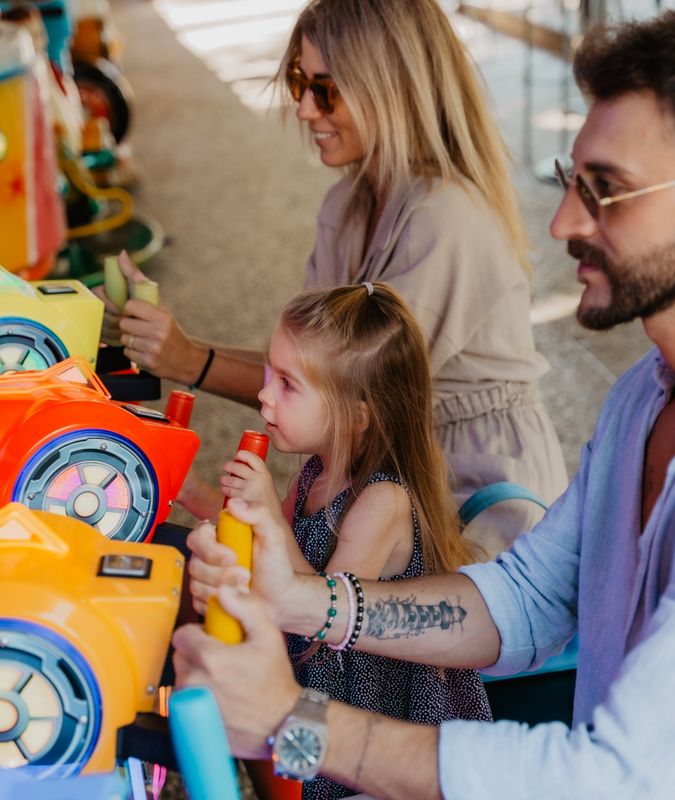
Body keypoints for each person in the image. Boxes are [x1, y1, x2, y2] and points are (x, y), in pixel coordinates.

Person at [173, 11, 675, 798]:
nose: (561, 223)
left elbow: (607, 778)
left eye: (606, 190)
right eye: (570, 181)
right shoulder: (638, 399)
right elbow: (532, 597)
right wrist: (299, 597)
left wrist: (288, 720)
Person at [101, 0, 567, 557]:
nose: (303, 109)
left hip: (478, 493)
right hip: (394, 471)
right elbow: (313, 368)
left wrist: (186, 359)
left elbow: (341, 393)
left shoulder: (447, 217)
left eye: (326, 89)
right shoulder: (348, 202)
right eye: (300, 82)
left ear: (392, 88)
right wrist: (178, 349)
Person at [191, 282, 492, 799]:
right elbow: (268, 552)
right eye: (271, 372)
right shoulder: (316, 471)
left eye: (288, 384)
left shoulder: (382, 503)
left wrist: (267, 513)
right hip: (311, 684)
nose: (264, 394)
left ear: (357, 414)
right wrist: (186, 493)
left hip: (365, 710)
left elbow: (323, 621)